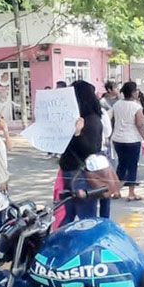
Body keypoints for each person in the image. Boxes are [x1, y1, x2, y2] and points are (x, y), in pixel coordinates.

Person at [59, 80, 103, 223]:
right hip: (69, 172)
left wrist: (77, 133)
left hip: (82, 174)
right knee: (68, 216)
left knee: (86, 218)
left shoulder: (91, 120)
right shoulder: (74, 119)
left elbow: (91, 150)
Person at [111, 82, 144, 201]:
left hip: (118, 138)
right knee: (132, 165)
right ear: (133, 93)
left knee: (121, 164)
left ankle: (116, 190)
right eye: (136, 90)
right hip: (132, 139)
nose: (138, 92)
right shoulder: (136, 107)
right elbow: (140, 124)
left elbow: (113, 120)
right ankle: (131, 192)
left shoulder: (117, 104)